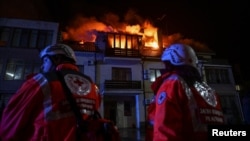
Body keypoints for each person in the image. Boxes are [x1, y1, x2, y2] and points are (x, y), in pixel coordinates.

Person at [0, 43, 101, 141]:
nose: (42, 66)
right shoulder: (92, 85)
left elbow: (10, 124)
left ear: (57, 59)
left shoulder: (40, 81)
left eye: (45, 61)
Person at [152, 43, 225, 141]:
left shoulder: (172, 84)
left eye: (165, 63)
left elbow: (165, 132)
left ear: (171, 62)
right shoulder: (209, 90)